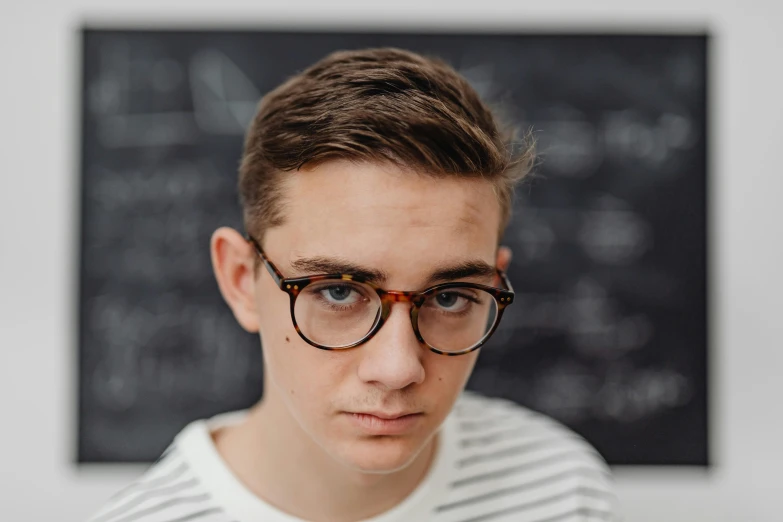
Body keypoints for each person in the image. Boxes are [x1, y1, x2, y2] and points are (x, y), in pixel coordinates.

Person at [88, 47, 619, 522]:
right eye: (338, 291)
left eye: (451, 297)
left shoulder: (562, 489)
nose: (398, 369)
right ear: (240, 281)